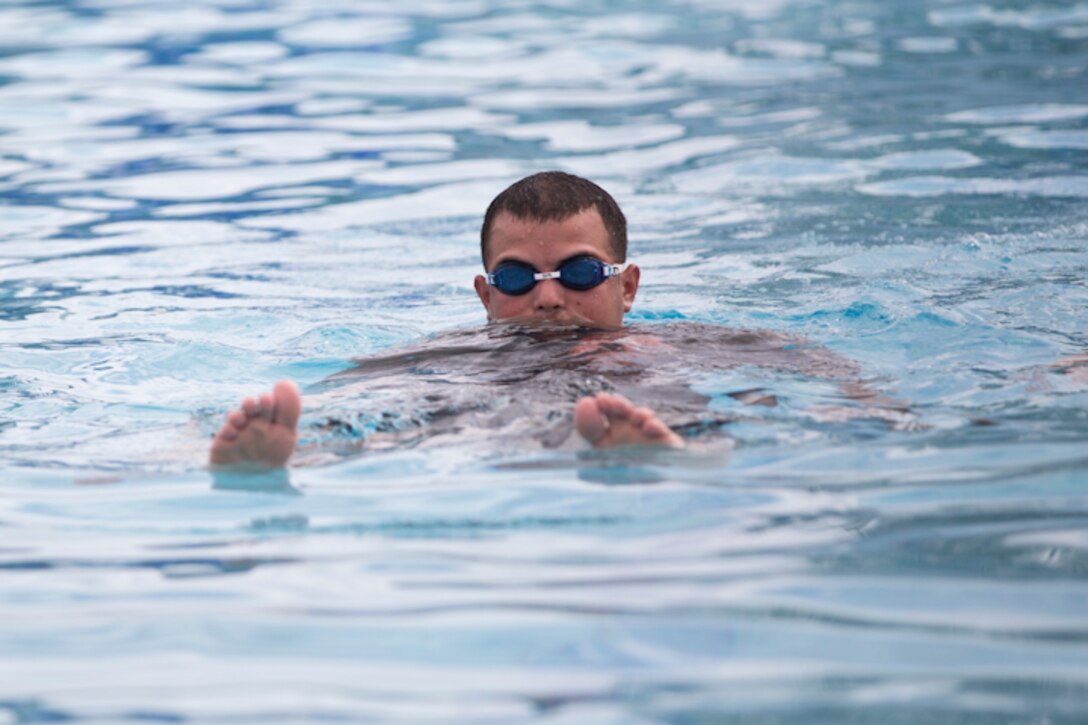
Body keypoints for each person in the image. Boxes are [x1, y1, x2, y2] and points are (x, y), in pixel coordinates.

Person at [210, 172, 684, 469]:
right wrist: (288, 436)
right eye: (516, 278)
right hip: (482, 436)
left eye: (578, 272)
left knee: (688, 427)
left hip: (631, 422)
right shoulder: (449, 357)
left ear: (627, 287)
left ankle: (674, 457)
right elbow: (346, 400)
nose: (547, 298)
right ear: (486, 295)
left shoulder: (683, 350)